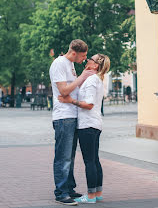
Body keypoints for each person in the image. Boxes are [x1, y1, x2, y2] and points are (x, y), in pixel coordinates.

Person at [58, 53, 110, 204]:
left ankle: (90, 196)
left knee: (89, 161)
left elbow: (89, 104)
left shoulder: (92, 80)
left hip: (88, 125)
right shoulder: (94, 79)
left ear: (96, 65)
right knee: (94, 160)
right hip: (93, 124)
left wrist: (71, 100)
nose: (87, 60)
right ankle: (97, 193)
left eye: (90, 59)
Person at [49, 39, 96, 206]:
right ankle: (61, 193)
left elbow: (73, 89)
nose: (84, 59)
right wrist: (83, 76)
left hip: (72, 115)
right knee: (63, 156)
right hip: (63, 116)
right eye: (83, 56)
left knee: (70, 156)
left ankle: (69, 188)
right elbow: (63, 90)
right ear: (74, 53)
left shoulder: (70, 65)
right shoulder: (59, 63)